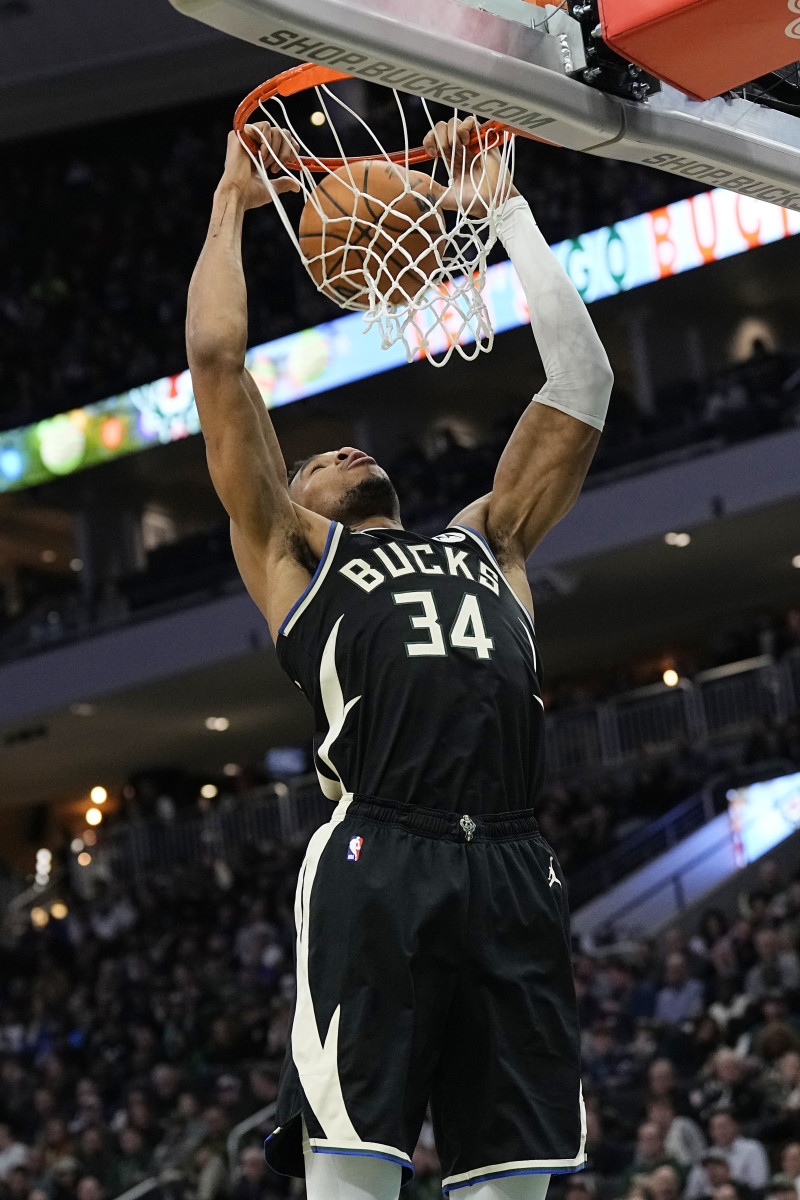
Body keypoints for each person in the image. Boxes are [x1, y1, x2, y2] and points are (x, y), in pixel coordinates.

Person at [186, 113, 613, 1200]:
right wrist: (233, 206)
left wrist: (504, 212)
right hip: (380, 855)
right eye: (317, 457)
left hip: (514, 860)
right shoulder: (294, 553)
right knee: (356, 1180)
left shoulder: (490, 541)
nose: (338, 449)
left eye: (346, 447)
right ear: (292, 498)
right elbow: (216, 358)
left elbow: (581, 388)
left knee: (514, 1181)